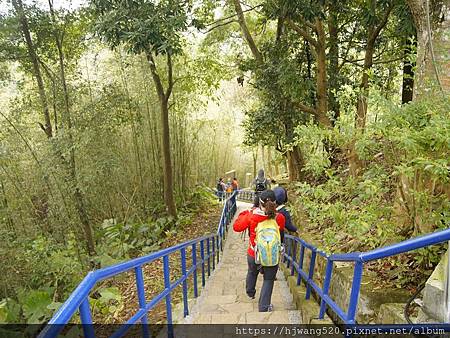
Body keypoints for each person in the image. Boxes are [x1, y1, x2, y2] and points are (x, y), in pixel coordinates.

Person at [233, 190, 285, 312]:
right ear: (275, 203)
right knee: (268, 279)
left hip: (254, 253)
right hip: (271, 255)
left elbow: (236, 227)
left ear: (259, 202)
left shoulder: (252, 215)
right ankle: (264, 306)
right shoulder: (280, 218)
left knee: (252, 271)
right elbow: (281, 232)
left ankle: (250, 292)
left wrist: (246, 213)